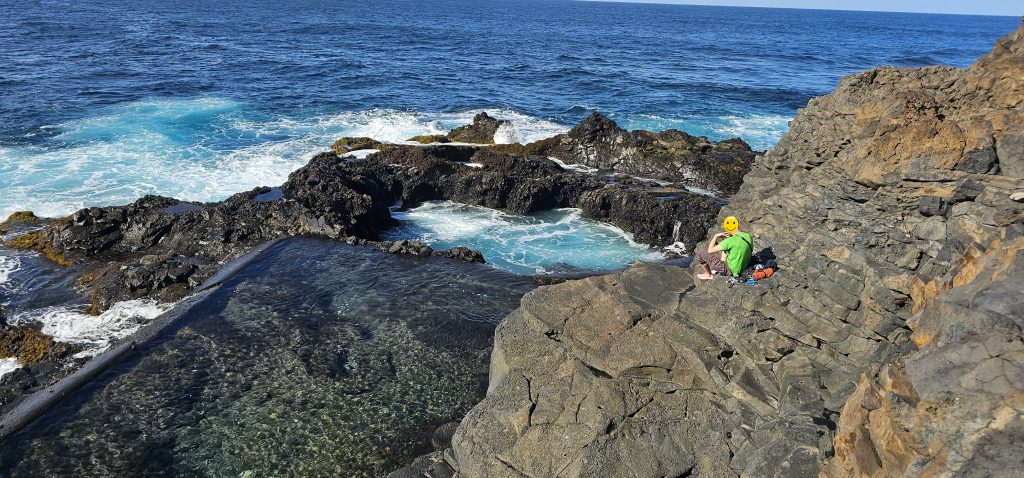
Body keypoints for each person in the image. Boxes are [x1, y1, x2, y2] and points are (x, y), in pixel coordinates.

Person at [695, 216, 753, 281]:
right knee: (728, 249)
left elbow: (710, 250)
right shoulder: (748, 236)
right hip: (742, 268)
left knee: (701, 254)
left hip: (731, 271)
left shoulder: (730, 241)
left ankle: (708, 275)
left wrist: (716, 236)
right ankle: (720, 266)